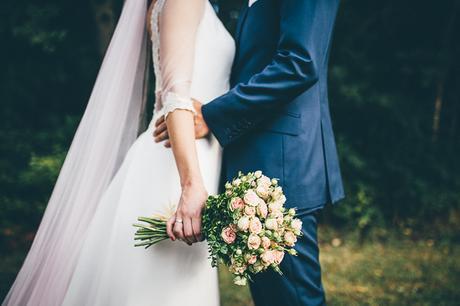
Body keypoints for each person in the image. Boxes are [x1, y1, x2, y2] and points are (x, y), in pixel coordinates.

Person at [3, 0, 234, 305]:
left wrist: (212, 120)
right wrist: (191, 184)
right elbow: (175, 95)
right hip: (176, 166)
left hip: (184, 156)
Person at [155, 0, 344, 305]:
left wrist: (214, 117)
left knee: (295, 298)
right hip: (254, 164)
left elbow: (300, 63)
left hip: (282, 166)